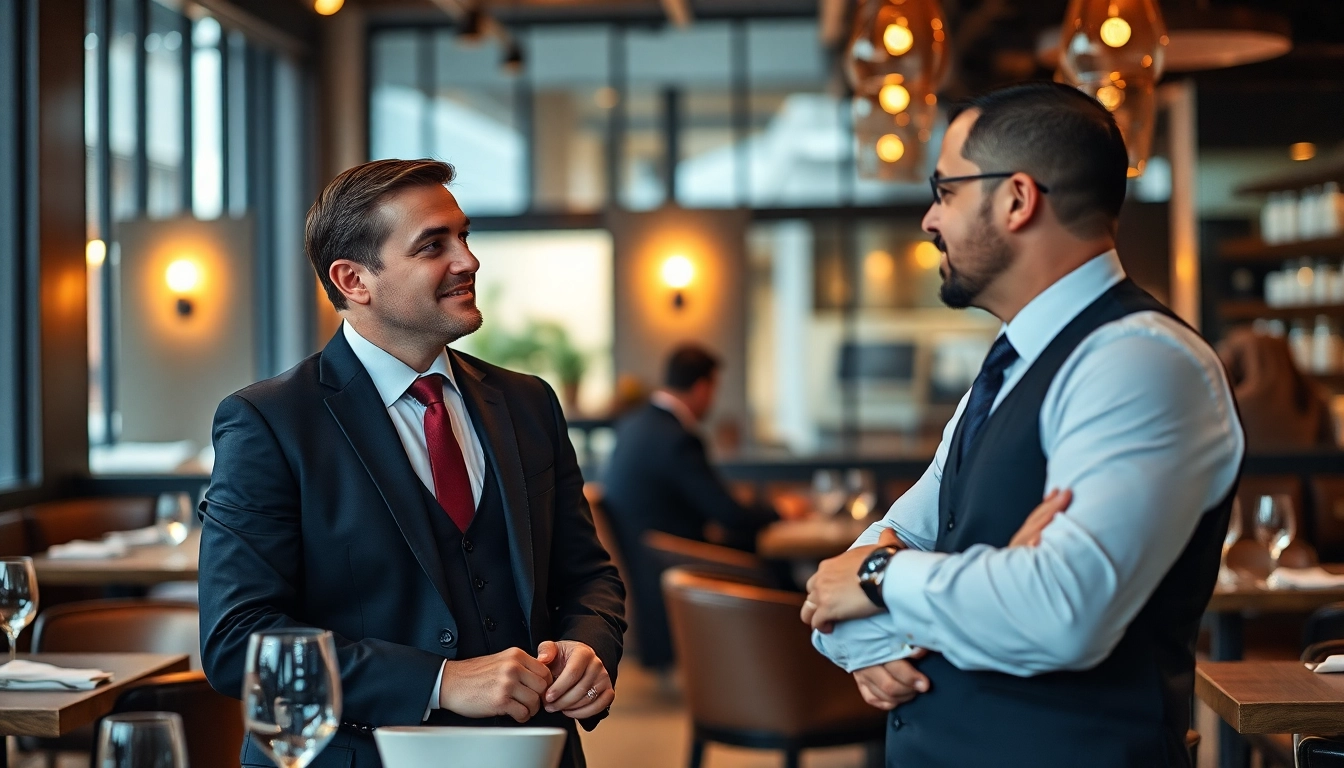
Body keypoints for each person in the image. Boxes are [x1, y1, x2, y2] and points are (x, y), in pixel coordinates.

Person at [800, 82, 1244, 768]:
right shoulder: (1006, 366)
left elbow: (1061, 611)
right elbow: (845, 582)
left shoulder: (1143, 362)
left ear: (1016, 198)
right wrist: (891, 607)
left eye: (944, 190)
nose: (928, 220)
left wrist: (883, 576)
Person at [198, 159, 625, 768]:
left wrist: (590, 649)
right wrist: (441, 681)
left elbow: (588, 576)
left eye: (464, 237)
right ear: (353, 280)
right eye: (433, 245)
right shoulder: (268, 422)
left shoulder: (530, 403)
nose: (468, 261)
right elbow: (238, 641)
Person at [602, 345, 801, 671]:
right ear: (702, 387)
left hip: (649, 558)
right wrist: (781, 511)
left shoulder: (635, 425)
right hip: (674, 559)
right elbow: (729, 514)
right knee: (771, 564)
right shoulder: (676, 437)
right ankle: (791, 664)